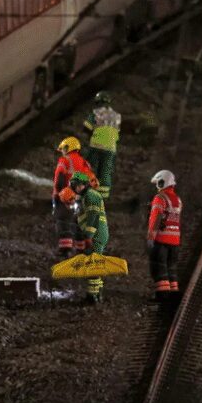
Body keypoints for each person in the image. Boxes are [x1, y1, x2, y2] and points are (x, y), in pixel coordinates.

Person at [53, 137, 97, 257]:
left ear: (68, 148)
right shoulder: (84, 163)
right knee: (80, 224)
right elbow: (91, 180)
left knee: (64, 221)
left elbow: (60, 178)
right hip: (82, 198)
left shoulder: (64, 160)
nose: (62, 151)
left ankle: (65, 250)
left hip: (66, 196)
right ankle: (81, 250)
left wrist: (59, 193)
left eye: (63, 148)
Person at [71, 172, 109, 303]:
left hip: (96, 234)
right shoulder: (84, 197)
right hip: (95, 234)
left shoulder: (91, 196)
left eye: (79, 186)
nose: (77, 188)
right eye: (75, 186)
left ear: (85, 185)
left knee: (93, 264)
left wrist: (88, 236)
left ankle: (93, 296)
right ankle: (96, 293)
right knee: (93, 263)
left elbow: (93, 217)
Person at [147, 170, 182, 304]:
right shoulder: (177, 200)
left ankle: (162, 296)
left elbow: (156, 218)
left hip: (161, 239)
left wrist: (151, 236)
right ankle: (173, 294)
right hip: (175, 240)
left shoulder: (160, 198)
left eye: (158, 183)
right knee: (171, 267)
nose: (157, 187)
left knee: (159, 267)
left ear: (163, 182)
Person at [82, 91, 121, 199]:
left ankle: (80, 189)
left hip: (96, 145)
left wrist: (91, 134)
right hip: (111, 148)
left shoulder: (96, 112)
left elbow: (86, 127)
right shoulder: (116, 116)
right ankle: (102, 198)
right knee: (105, 172)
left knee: (87, 168)